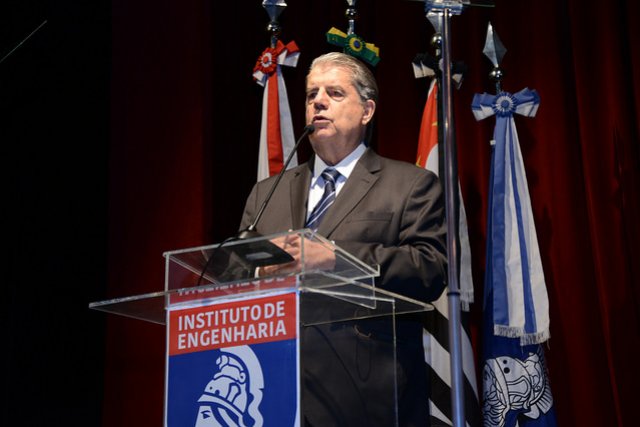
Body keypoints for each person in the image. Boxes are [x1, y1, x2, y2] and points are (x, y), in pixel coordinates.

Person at [239, 52, 447, 426]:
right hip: (272, 390)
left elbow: (430, 268)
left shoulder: (410, 185)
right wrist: (255, 273)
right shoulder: (267, 193)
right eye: (311, 94)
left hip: (367, 397)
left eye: (334, 93)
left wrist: (336, 257)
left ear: (367, 111)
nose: (318, 102)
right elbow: (237, 277)